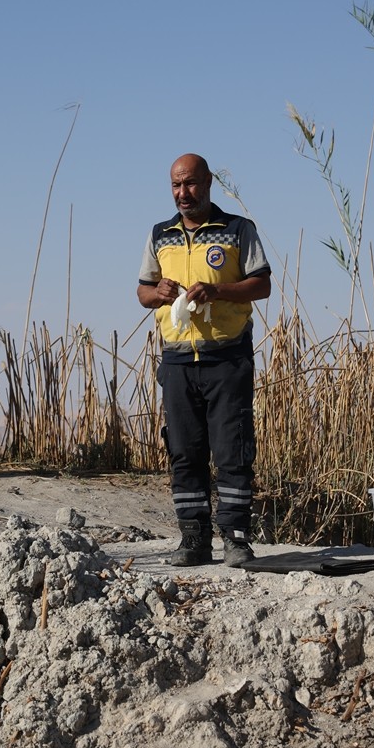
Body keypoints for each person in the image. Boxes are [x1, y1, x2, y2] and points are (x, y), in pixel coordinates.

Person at [137, 153, 272, 568]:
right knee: (184, 451)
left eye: (191, 184)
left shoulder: (238, 229)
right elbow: (142, 292)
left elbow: (262, 284)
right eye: (176, 185)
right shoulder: (160, 235)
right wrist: (158, 294)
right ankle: (193, 539)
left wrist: (217, 291)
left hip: (227, 357)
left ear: (209, 182)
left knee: (233, 450)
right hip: (177, 361)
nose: (184, 193)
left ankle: (235, 538)